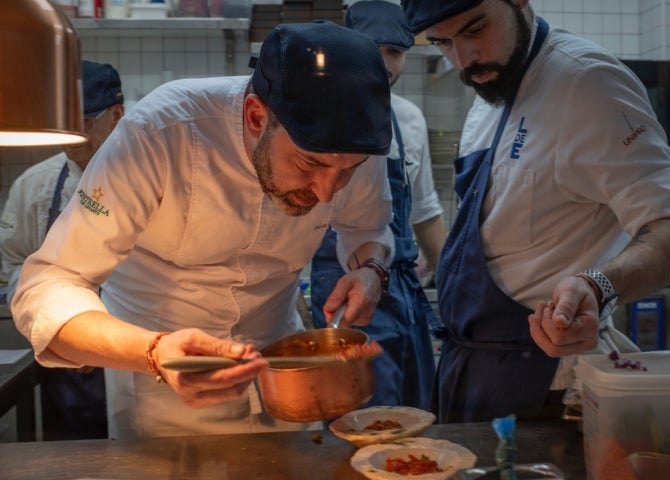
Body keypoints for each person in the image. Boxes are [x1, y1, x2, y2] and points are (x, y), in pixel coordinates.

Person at [11, 21, 396, 439]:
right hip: (163, 386)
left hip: (285, 373)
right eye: (309, 165)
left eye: (347, 172)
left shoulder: (354, 143)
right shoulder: (161, 132)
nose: (327, 193)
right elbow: (45, 287)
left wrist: (370, 269)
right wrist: (155, 352)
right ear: (255, 117)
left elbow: (366, 226)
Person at [401, 0, 670, 423]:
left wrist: (599, 285)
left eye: (475, 30)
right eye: (442, 43)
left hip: (544, 384)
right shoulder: (490, 89)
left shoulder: (587, 83)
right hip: (474, 370)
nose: (462, 59)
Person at [310, 0, 446, 410]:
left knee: (418, 405)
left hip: (404, 287)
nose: (385, 64)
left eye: (395, 52)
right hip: (345, 287)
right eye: (374, 49)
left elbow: (424, 208)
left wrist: (453, 277)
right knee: (367, 409)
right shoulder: (317, 114)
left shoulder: (410, 119)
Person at [0, 60, 125, 440]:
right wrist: (65, 330)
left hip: (136, 355)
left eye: (85, 123)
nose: (72, 137)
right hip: (68, 365)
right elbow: (16, 263)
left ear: (117, 115)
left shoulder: (151, 177)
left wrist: (109, 339)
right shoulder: (34, 186)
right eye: (65, 126)